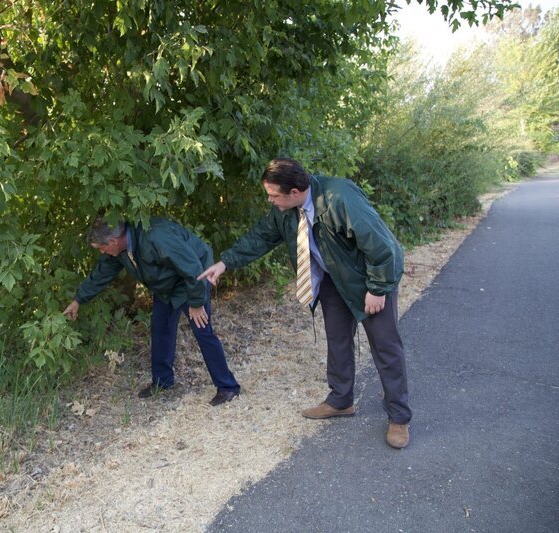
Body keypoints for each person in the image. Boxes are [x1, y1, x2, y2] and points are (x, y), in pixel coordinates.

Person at [198, 158, 412, 448]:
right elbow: (260, 237)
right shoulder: (286, 211)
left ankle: (398, 417)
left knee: (385, 346)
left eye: (273, 195)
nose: (269, 200)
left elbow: (383, 247)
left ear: (296, 191)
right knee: (337, 340)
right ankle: (340, 401)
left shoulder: (340, 198)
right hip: (332, 280)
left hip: (368, 280)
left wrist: (378, 288)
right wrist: (225, 263)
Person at [63, 216, 241, 406]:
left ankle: (228, 387)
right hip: (165, 285)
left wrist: (196, 303)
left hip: (192, 279)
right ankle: (162, 382)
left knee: (202, 330)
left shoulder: (157, 237)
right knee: (160, 329)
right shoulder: (119, 251)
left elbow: (192, 266)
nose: (102, 251)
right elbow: (102, 273)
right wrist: (78, 300)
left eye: (101, 247)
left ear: (113, 241)